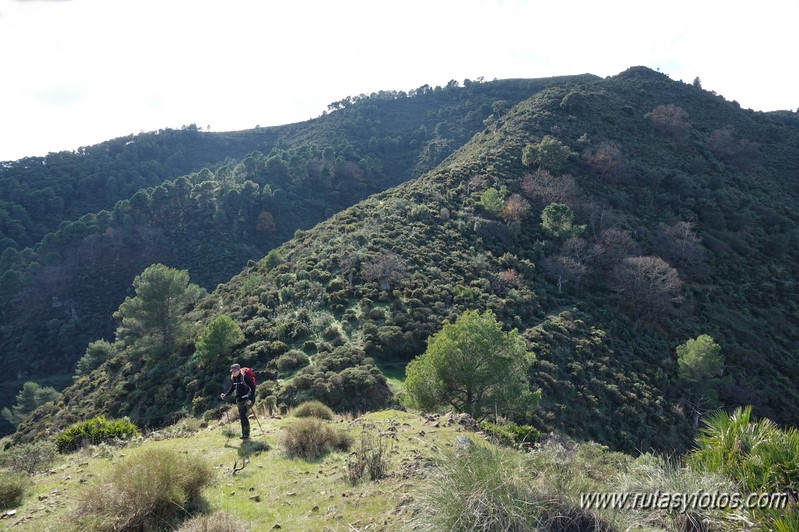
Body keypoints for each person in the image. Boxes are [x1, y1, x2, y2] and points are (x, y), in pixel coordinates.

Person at [220, 363, 255, 439]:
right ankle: (244, 434)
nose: (234, 372)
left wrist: (250, 399)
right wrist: (226, 395)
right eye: (232, 371)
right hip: (239, 400)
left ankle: (247, 433)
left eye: (235, 371)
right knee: (242, 416)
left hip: (248, 399)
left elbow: (253, 388)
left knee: (242, 414)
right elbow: (233, 387)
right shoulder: (234, 378)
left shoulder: (244, 377)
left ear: (239, 370)